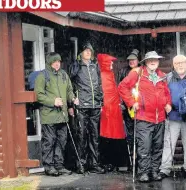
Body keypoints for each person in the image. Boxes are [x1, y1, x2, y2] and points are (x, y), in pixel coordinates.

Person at [118, 51, 171, 182]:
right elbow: (122, 87)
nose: (153, 62)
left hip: (160, 118)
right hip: (143, 117)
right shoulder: (137, 73)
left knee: (157, 146)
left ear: (158, 62)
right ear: (146, 62)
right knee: (144, 146)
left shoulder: (162, 76)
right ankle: (143, 172)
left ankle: (154, 171)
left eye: (155, 60)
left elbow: (166, 93)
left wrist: (168, 104)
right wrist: (131, 102)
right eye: (150, 60)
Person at [35, 52, 76, 176]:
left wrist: (72, 99)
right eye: (54, 61)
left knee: (61, 141)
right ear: (49, 62)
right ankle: (49, 166)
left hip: (62, 115)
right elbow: (39, 95)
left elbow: (69, 90)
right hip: (49, 116)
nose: (57, 64)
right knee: (49, 141)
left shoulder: (63, 74)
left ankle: (59, 165)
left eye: (58, 61)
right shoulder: (42, 76)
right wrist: (53, 101)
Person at [68, 42, 105, 174]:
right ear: (81, 53)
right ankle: (81, 164)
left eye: (90, 50)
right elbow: (69, 85)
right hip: (82, 105)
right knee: (81, 135)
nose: (88, 52)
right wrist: (71, 103)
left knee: (94, 136)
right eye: (86, 50)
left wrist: (101, 101)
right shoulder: (76, 66)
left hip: (95, 105)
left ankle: (94, 164)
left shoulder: (95, 66)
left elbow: (99, 84)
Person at [159, 55, 186, 178]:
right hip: (173, 115)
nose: (180, 65)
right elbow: (162, 93)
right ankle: (165, 169)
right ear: (173, 65)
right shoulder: (168, 78)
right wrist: (166, 104)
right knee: (169, 143)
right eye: (177, 63)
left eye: (182, 62)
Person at [97, 54, 126, 172]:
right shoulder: (102, 75)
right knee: (108, 135)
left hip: (114, 109)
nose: (112, 64)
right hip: (108, 110)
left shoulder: (110, 74)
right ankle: (108, 161)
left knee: (114, 135)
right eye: (110, 62)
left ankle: (115, 161)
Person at [117, 49, 140, 171]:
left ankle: (141, 162)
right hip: (127, 109)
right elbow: (120, 89)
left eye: (134, 59)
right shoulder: (123, 72)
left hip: (140, 109)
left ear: (138, 60)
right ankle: (132, 162)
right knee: (130, 136)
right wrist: (121, 104)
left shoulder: (142, 71)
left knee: (140, 136)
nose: (131, 61)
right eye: (130, 60)